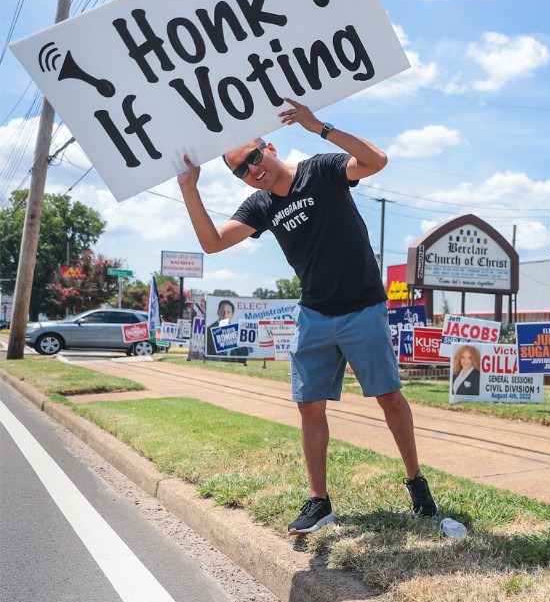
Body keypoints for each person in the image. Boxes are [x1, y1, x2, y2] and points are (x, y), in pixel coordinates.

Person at [176, 98, 437, 535]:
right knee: (309, 407)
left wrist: (318, 126)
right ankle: (319, 501)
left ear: (270, 147)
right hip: (314, 314)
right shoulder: (260, 206)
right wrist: (190, 188)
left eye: (254, 158)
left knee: (390, 398)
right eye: (241, 170)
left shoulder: (321, 169)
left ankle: (416, 483)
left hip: (363, 306)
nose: (252, 171)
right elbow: (213, 243)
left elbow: (376, 161)